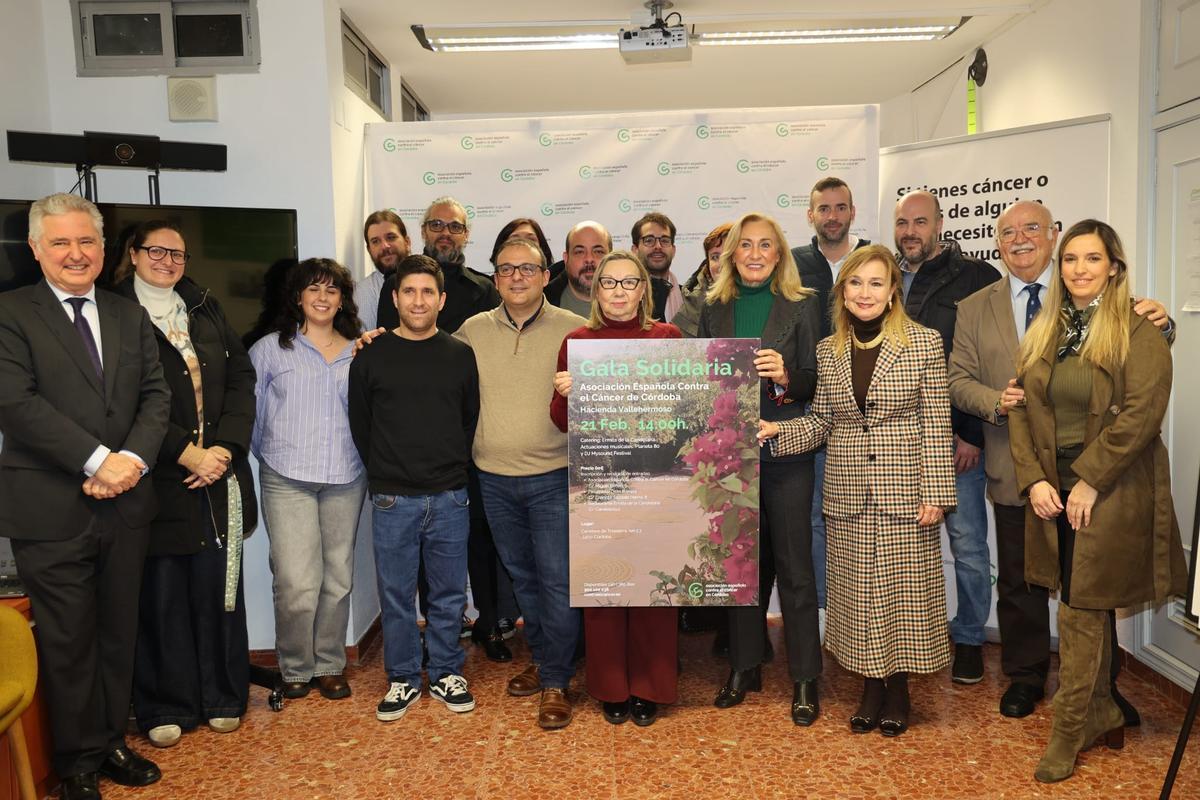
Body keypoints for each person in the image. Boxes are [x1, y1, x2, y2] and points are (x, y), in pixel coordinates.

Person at [947, 200, 1172, 721]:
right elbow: (957, 379)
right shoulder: (975, 305)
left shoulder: (1114, 307)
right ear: (996, 243)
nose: (1019, 239)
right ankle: (1025, 677)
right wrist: (994, 402)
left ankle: (1099, 690)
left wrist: (1165, 324)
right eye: (1007, 232)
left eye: (1032, 228)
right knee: (1021, 580)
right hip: (1017, 465)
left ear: (1053, 236)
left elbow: (1141, 373)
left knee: (1095, 585)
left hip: (1097, 474)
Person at [0, 193, 171, 800]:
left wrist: (131, 461)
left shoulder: (128, 316)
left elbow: (156, 396)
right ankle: (75, 762)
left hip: (125, 504)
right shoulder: (10, 314)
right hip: (51, 508)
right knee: (68, 637)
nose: (76, 254)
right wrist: (99, 460)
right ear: (36, 249)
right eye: (61, 243)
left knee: (117, 632)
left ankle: (109, 743)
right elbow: (16, 405)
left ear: (103, 248)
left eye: (87, 241)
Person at [1007, 220, 1187, 783]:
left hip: (1108, 489)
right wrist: (1035, 479)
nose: (1080, 269)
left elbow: (1141, 415)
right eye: (1070, 260)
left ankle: (1070, 725)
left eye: (1092, 258)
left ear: (1114, 266)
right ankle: (1103, 709)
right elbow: (1019, 406)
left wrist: (1088, 480)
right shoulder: (1046, 329)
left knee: (1082, 605)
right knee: (1082, 596)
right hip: (1053, 492)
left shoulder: (1140, 329)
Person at [758, 244, 956, 737]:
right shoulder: (829, 350)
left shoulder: (923, 343)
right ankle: (871, 686)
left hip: (905, 491)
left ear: (892, 292)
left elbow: (936, 422)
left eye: (875, 283)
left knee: (903, 596)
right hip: (846, 492)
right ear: (842, 292)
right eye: (855, 283)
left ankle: (898, 690)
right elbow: (823, 420)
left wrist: (936, 491)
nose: (864, 293)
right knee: (858, 596)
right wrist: (778, 431)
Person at [112, 221, 257, 749]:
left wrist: (224, 450)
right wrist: (184, 451)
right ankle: (163, 704)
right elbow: (122, 400)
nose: (168, 260)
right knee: (161, 594)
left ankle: (223, 696)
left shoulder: (202, 306)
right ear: (133, 253)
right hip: (156, 476)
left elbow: (241, 378)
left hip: (217, 475)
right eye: (157, 250)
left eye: (177, 253)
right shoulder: (115, 313)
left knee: (219, 590)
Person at [697, 212, 822, 726]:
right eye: (744, 245)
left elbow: (818, 380)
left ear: (779, 254)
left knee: (795, 569)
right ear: (731, 255)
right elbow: (702, 378)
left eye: (764, 245)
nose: (753, 253)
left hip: (787, 453)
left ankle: (805, 679)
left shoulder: (804, 304)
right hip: (731, 454)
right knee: (739, 569)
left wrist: (787, 377)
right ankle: (744, 668)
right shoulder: (713, 308)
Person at [456, 236, 587, 728]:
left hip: (554, 477)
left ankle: (555, 682)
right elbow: (433, 366)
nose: (516, 277)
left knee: (556, 580)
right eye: (506, 269)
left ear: (545, 276)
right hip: (493, 478)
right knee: (524, 578)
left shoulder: (575, 330)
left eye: (526, 269)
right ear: (494, 277)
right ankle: (548, 659)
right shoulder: (471, 331)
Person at [550, 250, 682, 726]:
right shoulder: (577, 342)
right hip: (600, 483)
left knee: (653, 588)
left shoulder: (667, 338)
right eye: (611, 283)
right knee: (605, 586)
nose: (620, 292)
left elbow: (685, 411)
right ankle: (609, 687)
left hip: (656, 480)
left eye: (630, 283)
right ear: (596, 289)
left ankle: (650, 687)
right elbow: (564, 423)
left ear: (644, 290)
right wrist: (566, 394)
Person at [349, 254, 480, 722]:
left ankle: (445, 670)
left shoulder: (460, 355)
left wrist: (447, 470)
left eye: (428, 292)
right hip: (392, 498)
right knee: (397, 595)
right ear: (394, 297)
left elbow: (469, 421)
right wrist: (388, 474)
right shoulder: (371, 356)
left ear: (442, 300)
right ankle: (403, 678)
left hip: (449, 495)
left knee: (447, 593)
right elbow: (361, 426)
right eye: (409, 291)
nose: (418, 300)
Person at [893, 190, 1000, 684]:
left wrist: (972, 433)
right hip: (896, 442)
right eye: (902, 223)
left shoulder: (977, 278)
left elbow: (988, 362)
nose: (910, 231)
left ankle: (970, 638)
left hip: (956, 441)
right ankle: (907, 636)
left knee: (969, 544)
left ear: (940, 223)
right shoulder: (884, 276)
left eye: (920, 221)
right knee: (902, 544)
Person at [248, 258, 367, 701]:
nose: (322, 298)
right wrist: (276, 457)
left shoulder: (361, 349)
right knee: (297, 582)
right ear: (297, 297)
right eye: (313, 289)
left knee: (337, 577)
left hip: (346, 476)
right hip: (287, 478)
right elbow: (254, 419)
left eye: (331, 290)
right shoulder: (268, 351)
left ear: (342, 300)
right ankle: (296, 666)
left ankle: (330, 663)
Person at [790, 177, 873, 612]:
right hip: (812, 414)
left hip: (870, 421)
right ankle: (826, 613)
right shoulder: (793, 263)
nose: (833, 216)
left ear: (852, 211)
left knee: (868, 521)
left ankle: (863, 610)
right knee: (818, 520)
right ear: (811, 215)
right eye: (824, 209)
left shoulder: (875, 259)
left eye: (841, 207)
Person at [375, 196, 499, 332]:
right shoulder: (396, 283)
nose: (445, 233)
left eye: (455, 227)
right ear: (423, 231)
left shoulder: (484, 290)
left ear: (466, 235)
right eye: (436, 225)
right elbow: (387, 347)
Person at [547, 220, 670, 321]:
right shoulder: (543, 300)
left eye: (598, 251)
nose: (589, 259)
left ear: (611, 256)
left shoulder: (655, 299)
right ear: (566, 258)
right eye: (579, 252)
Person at [354, 210, 411, 333]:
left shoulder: (429, 280)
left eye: (391, 237)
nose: (384, 246)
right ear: (369, 250)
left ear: (407, 242)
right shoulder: (362, 292)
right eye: (375, 241)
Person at [671, 222, 730, 338]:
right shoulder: (691, 305)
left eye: (728, 256)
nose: (722, 264)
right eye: (715, 257)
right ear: (708, 263)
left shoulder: (765, 299)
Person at [632, 212, 684, 320]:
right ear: (635, 250)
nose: (658, 246)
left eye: (665, 241)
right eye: (649, 240)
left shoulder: (688, 300)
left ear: (673, 250)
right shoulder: (624, 298)